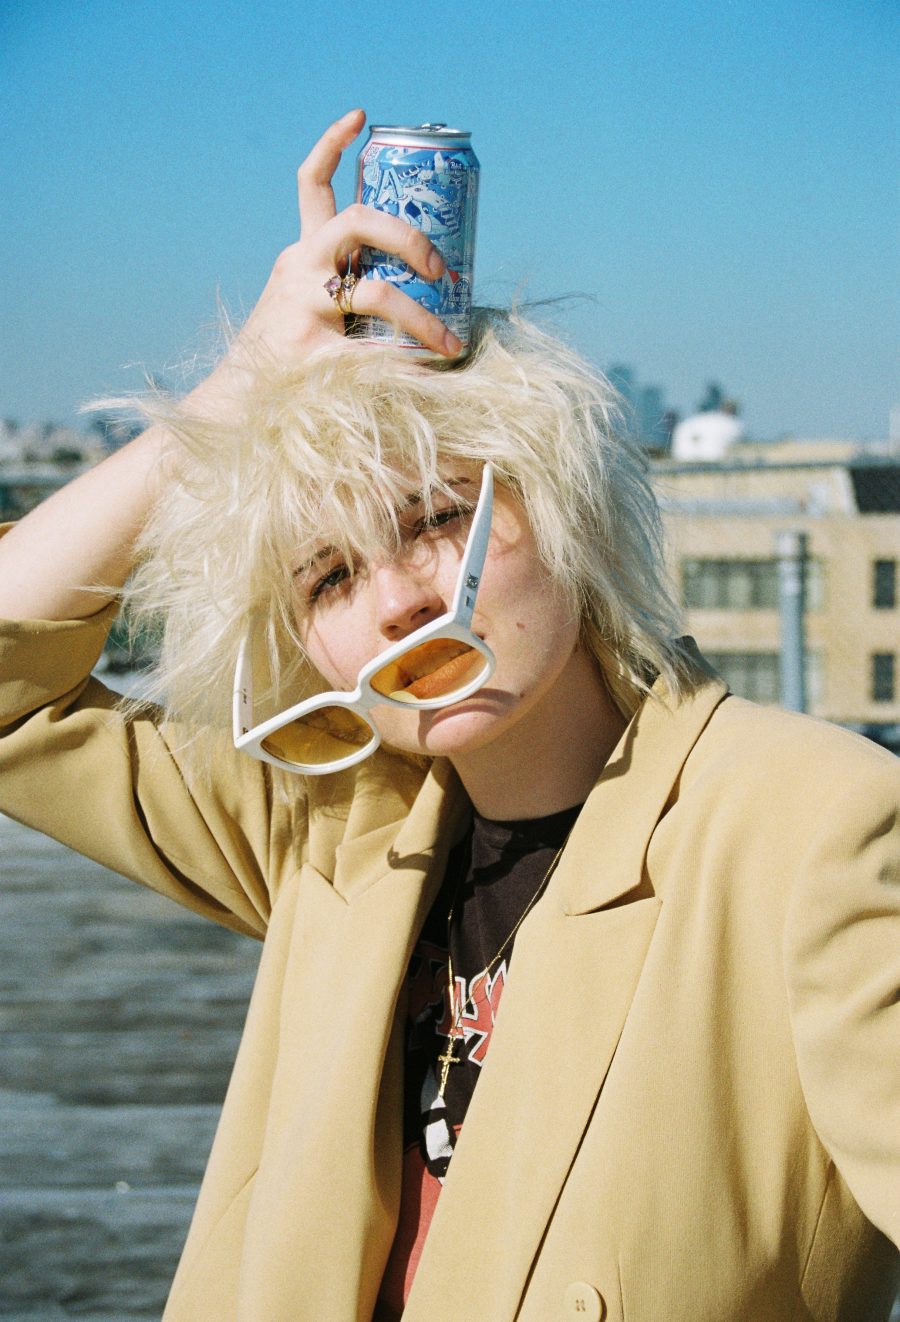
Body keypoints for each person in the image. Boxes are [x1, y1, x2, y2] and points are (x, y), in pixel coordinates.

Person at [0, 110, 897, 1322]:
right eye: (326, 576)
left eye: (432, 516)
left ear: (562, 500)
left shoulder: (808, 826)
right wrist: (233, 399)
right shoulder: (330, 828)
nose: (397, 600)